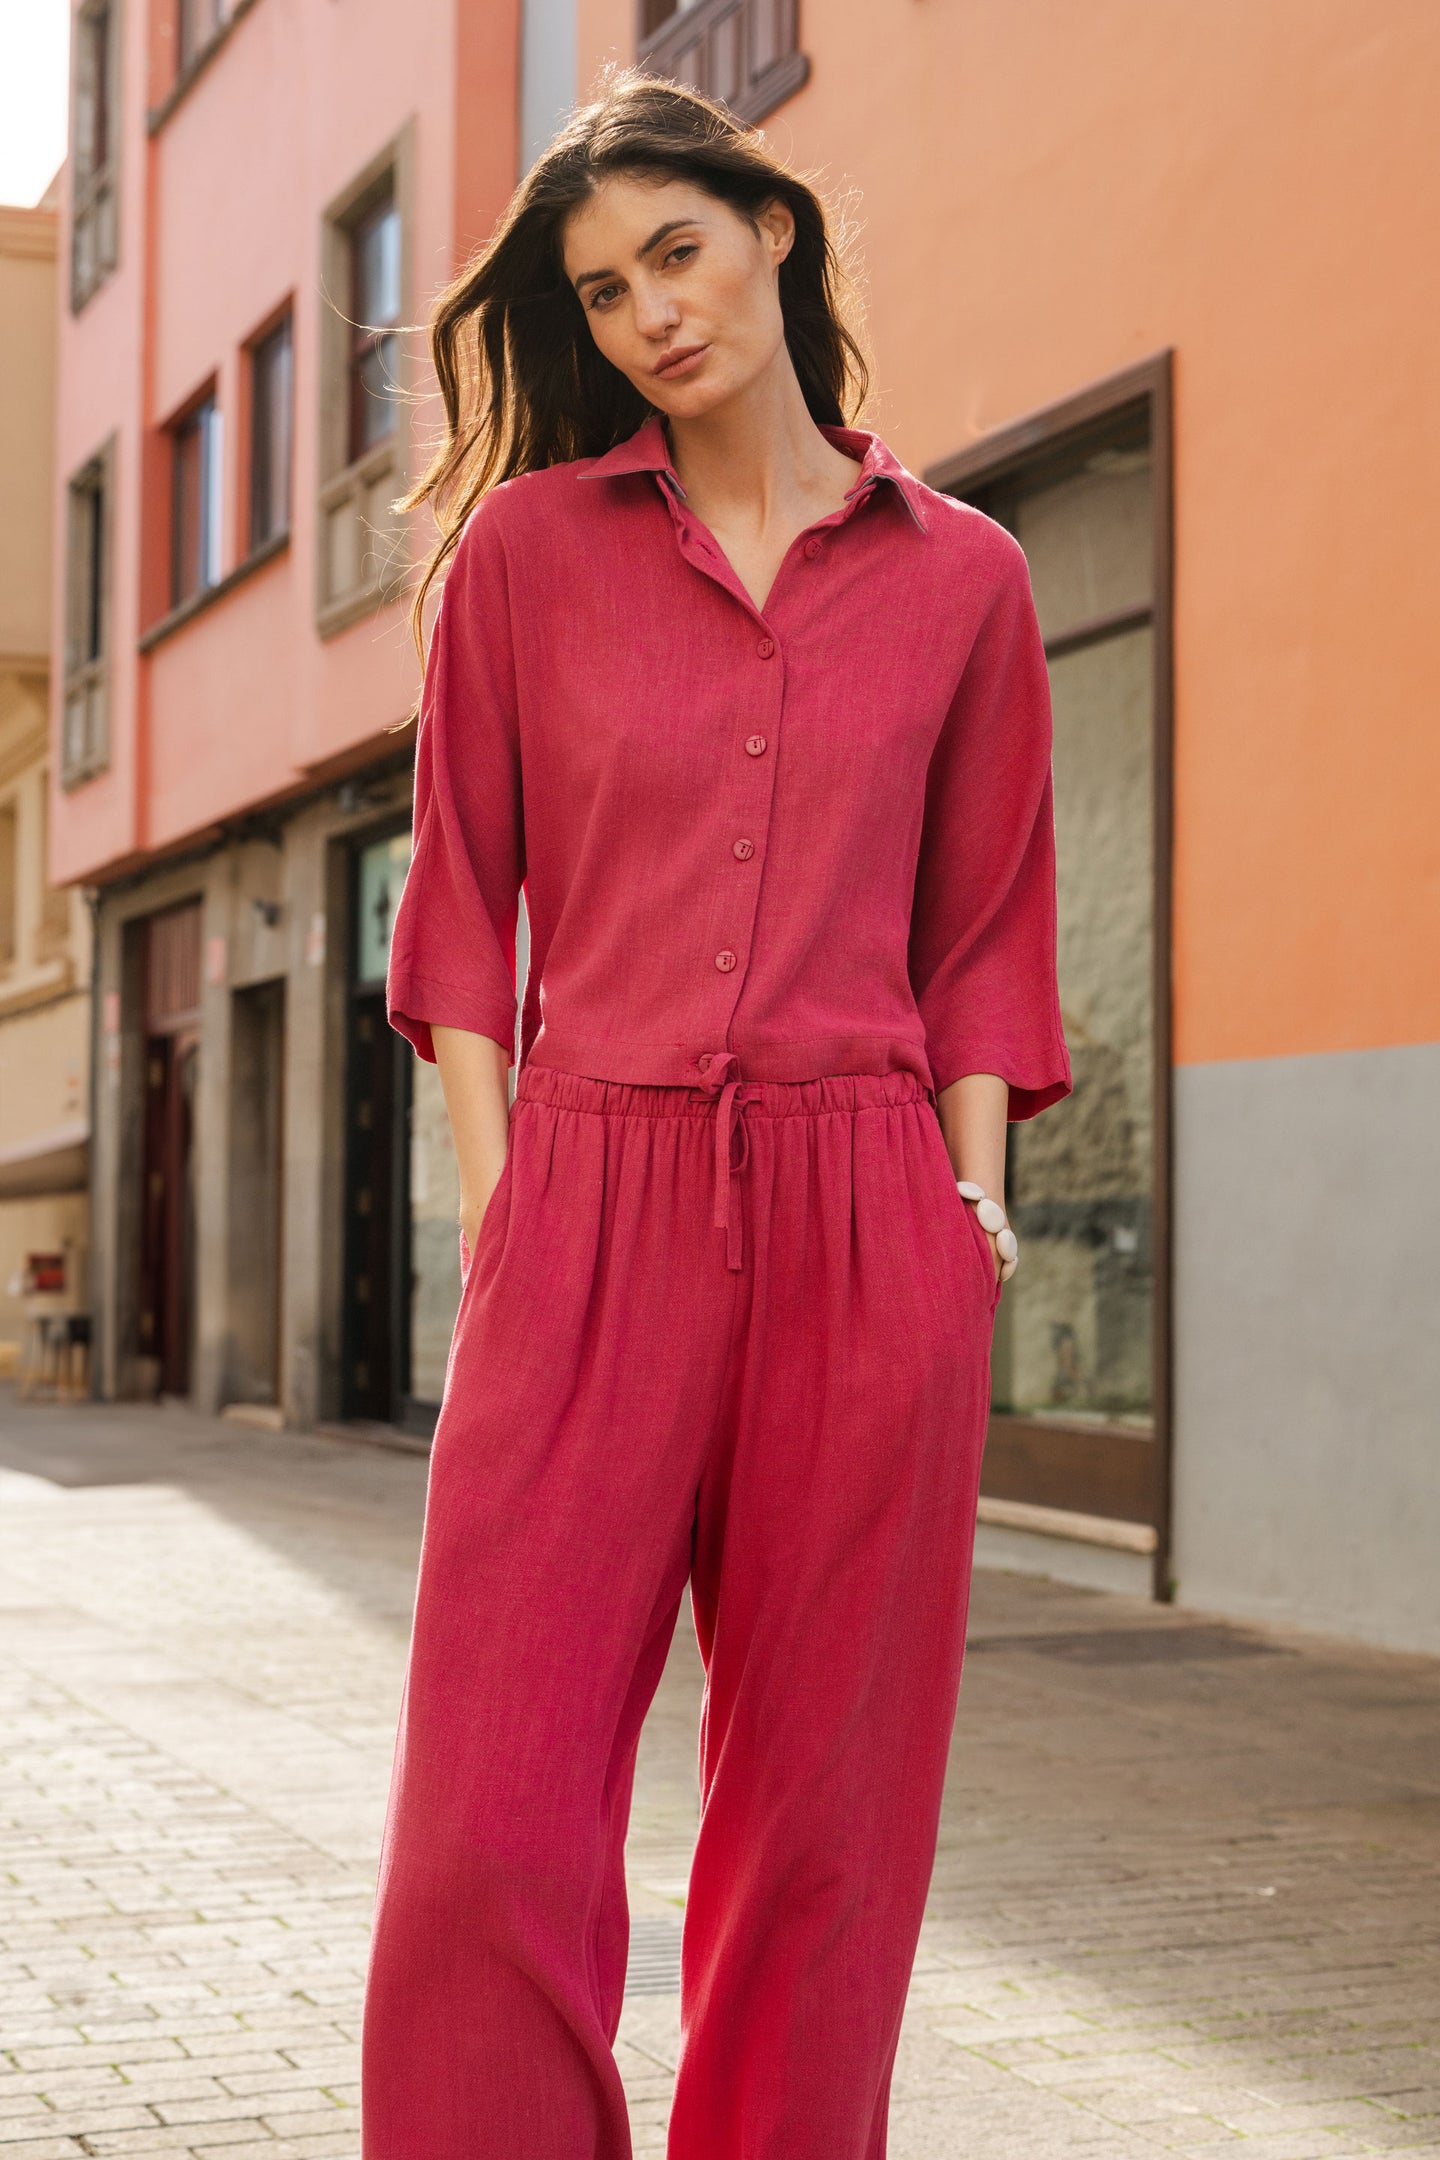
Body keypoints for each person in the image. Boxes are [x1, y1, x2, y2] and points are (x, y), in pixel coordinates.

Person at [359, 66, 1070, 2160]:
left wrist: (968, 1210)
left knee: (829, 1840)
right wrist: (507, 1205)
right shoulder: (526, 556)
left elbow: (990, 935)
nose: (650, 310)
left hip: (872, 1214)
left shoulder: (967, 579)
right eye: (601, 289)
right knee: (485, 1836)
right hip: (588, 1190)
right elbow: (463, 905)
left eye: (677, 249)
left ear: (772, 230)